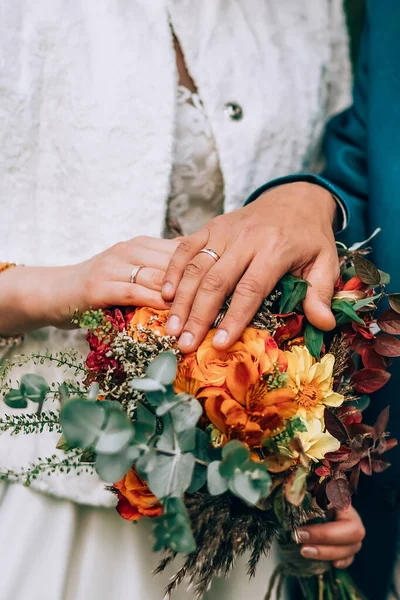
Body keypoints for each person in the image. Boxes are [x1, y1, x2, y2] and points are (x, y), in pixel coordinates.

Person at [0, 2, 365, 599]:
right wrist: (57, 288)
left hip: (248, 516)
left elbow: (325, 239)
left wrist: (325, 479)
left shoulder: (306, 10)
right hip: (53, 495)